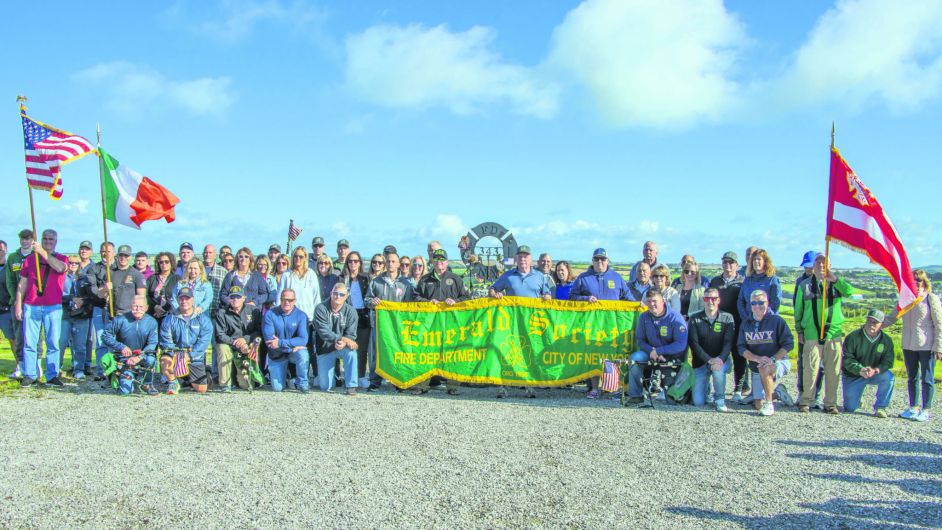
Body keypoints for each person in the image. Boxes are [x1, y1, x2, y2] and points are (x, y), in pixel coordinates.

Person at [794, 254, 853, 414]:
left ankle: (831, 403)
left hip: (833, 333)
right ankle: (806, 401)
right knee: (810, 368)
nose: (821, 265)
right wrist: (799, 329)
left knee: (833, 370)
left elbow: (849, 291)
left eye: (824, 262)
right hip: (811, 333)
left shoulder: (837, 284)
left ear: (830, 264)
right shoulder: (804, 285)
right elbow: (798, 309)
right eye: (818, 262)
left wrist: (834, 279)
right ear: (813, 265)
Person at [569, 248, 631, 399]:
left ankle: (613, 387)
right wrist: (585, 299)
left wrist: (641, 307)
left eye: (602, 259)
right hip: (591, 325)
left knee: (612, 354)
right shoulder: (583, 278)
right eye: (596, 259)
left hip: (613, 325)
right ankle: (595, 388)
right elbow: (572, 297)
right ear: (592, 261)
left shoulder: (617, 278)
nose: (600, 262)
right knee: (593, 356)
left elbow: (629, 298)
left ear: (607, 261)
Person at [884, 269, 941, 422]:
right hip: (908, 345)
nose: (916, 283)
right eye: (913, 280)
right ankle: (913, 407)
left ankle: (926, 410)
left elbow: (939, 324)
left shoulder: (931, 299)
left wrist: (938, 347)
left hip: (926, 345)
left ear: (924, 282)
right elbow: (891, 318)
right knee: (912, 377)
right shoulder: (905, 299)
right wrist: (875, 326)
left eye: (919, 280)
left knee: (927, 378)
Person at [15, 229, 68, 387]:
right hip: (31, 305)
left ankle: (52, 374)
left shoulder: (61, 258)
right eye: (44, 239)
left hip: (53, 306)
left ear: (55, 241)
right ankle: (30, 375)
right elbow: (21, 285)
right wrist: (18, 305)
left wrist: (43, 253)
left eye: (51, 239)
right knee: (30, 343)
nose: (47, 241)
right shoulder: (30, 260)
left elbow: (60, 268)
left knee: (53, 342)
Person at [411, 249, 467, 396]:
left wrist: (455, 302)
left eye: (442, 260)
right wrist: (429, 302)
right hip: (430, 325)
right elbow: (416, 298)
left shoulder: (456, 279)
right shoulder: (425, 279)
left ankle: (453, 386)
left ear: (447, 262)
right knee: (426, 354)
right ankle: (422, 385)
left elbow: (467, 298)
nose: (439, 263)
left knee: (452, 354)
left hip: (451, 324)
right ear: (433, 262)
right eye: (436, 260)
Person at [90, 244, 147, 380]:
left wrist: (139, 313)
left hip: (129, 316)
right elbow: (100, 295)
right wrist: (104, 288)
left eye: (126, 256)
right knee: (107, 344)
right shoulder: (110, 272)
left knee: (128, 346)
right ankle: (104, 372)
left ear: (130, 257)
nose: (123, 258)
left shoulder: (136, 274)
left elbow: (141, 297)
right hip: (112, 315)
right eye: (121, 255)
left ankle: (128, 372)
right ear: (117, 256)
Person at [626, 289, 689, 404]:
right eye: (649, 301)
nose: (652, 304)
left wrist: (660, 351)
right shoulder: (643, 317)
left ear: (663, 301)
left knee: (672, 401)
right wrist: (652, 351)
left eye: (655, 301)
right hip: (650, 354)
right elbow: (640, 341)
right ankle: (636, 395)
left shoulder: (675, 318)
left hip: (671, 357)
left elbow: (680, 344)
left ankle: (674, 392)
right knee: (635, 359)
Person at [738, 290, 794, 416]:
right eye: (754, 303)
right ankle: (777, 393)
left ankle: (769, 404)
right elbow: (741, 348)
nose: (757, 306)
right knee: (758, 404)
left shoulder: (777, 321)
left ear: (767, 303)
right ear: (750, 305)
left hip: (778, 361)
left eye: (761, 302)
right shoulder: (746, 324)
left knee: (766, 367)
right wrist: (757, 359)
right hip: (757, 365)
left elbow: (789, 344)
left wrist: (773, 359)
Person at [366, 251, 416, 390]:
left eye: (393, 261)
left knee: (397, 351)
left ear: (399, 264)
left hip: (398, 326)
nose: (390, 264)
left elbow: (410, 305)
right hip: (380, 324)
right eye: (388, 261)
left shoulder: (406, 284)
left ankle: (397, 380)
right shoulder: (376, 282)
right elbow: (367, 300)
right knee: (377, 352)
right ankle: (375, 382)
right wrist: (372, 302)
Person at [99, 295, 159, 395]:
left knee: (151, 359)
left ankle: (147, 384)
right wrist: (120, 346)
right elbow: (105, 336)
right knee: (125, 392)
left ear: (146, 308)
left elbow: (152, 343)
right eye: (135, 306)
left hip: (143, 357)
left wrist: (139, 357)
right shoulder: (120, 320)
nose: (138, 309)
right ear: (131, 306)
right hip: (124, 359)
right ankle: (115, 378)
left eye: (141, 307)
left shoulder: (152, 322)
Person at [688, 288, 736, 411]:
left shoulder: (727, 318)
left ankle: (720, 399)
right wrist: (709, 360)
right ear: (703, 300)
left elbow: (728, 343)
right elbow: (694, 345)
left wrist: (719, 359)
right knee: (698, 402)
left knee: (718, 370)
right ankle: (707, 389)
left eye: (714, 298)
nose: (710, 301)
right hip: (701, 363)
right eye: (707, 298)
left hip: (721, 360)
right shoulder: (694, 318)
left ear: (718, 300)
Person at [710, 251, 749, 400]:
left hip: (738, 324)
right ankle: (717, 389)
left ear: (737, 265)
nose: (727, 265)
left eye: (731, 262)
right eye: (725, 262)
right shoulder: (715, 281)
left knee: (739, 356)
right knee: (718, 356)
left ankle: (738, 389)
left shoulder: (743, 282)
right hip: (719, 325)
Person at [159, 287, 213, 394]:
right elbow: (165, 341)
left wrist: (189, 356)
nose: (184, 301)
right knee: (164, 361)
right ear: (177, 300)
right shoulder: (169, 319)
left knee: (201, 390)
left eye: (187, 298)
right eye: (181, 298)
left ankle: (189, 379)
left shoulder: (203, 319)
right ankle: (173, 382)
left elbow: (203, 342)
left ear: (192, 299)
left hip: (195, 357)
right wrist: (174, 354)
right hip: (175, 354)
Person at [842, 309, 895, 417]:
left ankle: (881, 407)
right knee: (850, 408)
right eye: (869, 321)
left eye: (875, 322)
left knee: (889, 377)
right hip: (854, 375)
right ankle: (857, 398)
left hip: (874, 373)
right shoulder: (852, 337)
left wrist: (876, 370)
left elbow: (888, 361)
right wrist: (860, 369)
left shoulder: (886, 340)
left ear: (882, 325)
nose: (871, 324)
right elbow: (847, 359)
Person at [214, 286, 262, 392]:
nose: (235, 299)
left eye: (238, 297)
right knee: (222, 347)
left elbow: (259, 331)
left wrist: (245, 340)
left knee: (246, 385)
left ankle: (241, 377)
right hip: (230, 345)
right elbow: (220, 335)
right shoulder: (222, 313)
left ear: (244, 298)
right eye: (232, 297)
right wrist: (236, 342)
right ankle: (225, 384)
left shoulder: (254, 311)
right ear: (228, 299)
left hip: (247, 346)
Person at [313, 283, 359, 394]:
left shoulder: (351, 312)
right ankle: (333, 378)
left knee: (351, 352)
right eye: (335, 293)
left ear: (346, 297)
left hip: (342, 347)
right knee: (325, 387)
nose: (337, 296)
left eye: (341, 294)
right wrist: (343, 339)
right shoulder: (320, 308)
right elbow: (324, 333)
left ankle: (351, 385)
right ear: (331, 293)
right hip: (325, 348)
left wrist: (344, 341)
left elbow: (351, 335)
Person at [263, 288, 311, 392]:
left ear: (295, 301)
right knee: (277, 388)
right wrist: (293, 343)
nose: (287, 302)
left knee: (303, 353)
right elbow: (270, 340)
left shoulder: (301, 315)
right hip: (277, 354)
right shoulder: (270, 314)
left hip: (293, 352)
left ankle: (302, 382)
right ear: (280, 299)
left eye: (290, 300)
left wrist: (280, 342)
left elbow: (303, 339)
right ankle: (287, 376)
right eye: (284, 299)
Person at [794, 250, 824, 408]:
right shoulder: (800, 282)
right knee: (803, 363)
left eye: (810, 266)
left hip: (823, 332)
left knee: (821, 365)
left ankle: (816, 394)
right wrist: (799, 330)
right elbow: (796, 306)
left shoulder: (826, 282)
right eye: (806, 266)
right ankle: (803, 392)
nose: (807, 269)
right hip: (806, 331)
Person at [5, 230, 34, 378]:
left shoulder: (36, 256)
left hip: (34, 302)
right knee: (18, 335)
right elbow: (9, 281)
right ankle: (20, 365)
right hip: (16, 302)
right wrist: (16, 298)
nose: (25, 241)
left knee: (34, 336)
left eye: (28, 238)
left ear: (32, 240)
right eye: (23, 238)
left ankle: (35, 365)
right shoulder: (12, 258)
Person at [340, 251, 371, 388]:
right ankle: (349, 375)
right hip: (347, 315)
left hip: (363, 315)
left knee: (362, 348)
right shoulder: (342, 279)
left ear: (360, 263)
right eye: (350, 261)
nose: (353, 263)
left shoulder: (366, 278)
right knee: (348, 347)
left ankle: (361, 375)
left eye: (356, 261)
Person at [60, 254, 93, 379]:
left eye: (76, 263)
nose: (73, 265)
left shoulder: (85, 279)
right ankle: (57, 368)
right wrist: (71, 298)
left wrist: (82, 301)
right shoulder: (61, 278)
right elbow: (57, 295)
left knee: (80, 345)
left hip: (81, 315)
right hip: (65, 315)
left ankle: (78, 369)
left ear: (80, 265)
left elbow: (91, 296)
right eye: (71, 262)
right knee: (61, 343)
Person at [737, 248, 782, 323]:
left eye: (759, 259)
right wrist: (746, 318)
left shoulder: (772, 280)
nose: (756, 261)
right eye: (754, 259)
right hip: (749, 322)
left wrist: (762, 318)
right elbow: (741, 300)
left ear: (765, 262)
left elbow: (775, 304)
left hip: (768, 322)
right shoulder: (747, 280)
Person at [145, 252, 178, 328]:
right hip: (152, 313)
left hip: (170, 314)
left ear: (171, 263)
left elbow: (177, 297)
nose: (164, 264)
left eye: (166, 261)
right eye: (161, 262)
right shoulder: (152, 278)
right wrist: (155, 307)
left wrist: (163, 309)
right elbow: (146, 295)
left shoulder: (177, 279)